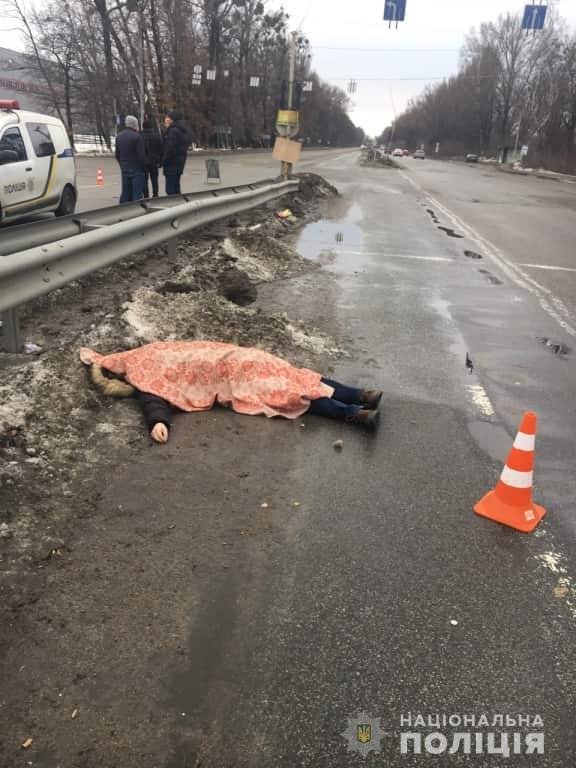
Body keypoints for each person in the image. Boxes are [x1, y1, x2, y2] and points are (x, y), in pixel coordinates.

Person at [80, 341, 382, 444]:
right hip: (240, 358)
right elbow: (154, 401)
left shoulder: (145, 372)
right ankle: (359, 396)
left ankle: (355, 412)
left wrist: (158, 422)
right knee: (294, 377)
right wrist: (158, 421)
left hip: (234, 373)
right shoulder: (153, 349)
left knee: (288, 394)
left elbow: (153, 399)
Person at [115, 115, 146, 203]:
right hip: (137, 170)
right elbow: (141, 156)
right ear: (135, 124)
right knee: (137, 194)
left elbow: (117, 154)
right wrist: (143, 168)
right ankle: (137, 212)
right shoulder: (137, 137)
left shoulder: (119, 136)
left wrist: (122, 165)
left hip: (125, 169)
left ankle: (123, 211)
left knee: (125, 193)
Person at [162, 110, 191, 195]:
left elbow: (170, 149)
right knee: (176, 187)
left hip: (171, 164)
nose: (166, 119)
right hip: (179, 163)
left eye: (168, 118)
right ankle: (179, 204)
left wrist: (163, 160)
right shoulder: (182, 130)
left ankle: (174, 206)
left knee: (170, 189)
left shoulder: (173, 131)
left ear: (172, 119)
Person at [141, 119, 163, 198]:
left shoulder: (140, 136)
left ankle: (146, 196)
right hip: (154, 161)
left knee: (144, 180)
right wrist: (160, 162)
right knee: (154, 179)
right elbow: (161, 149)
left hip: (143, 162)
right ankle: (155, 194)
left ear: (143, 127)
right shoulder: (156, 136)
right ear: (151, 127)